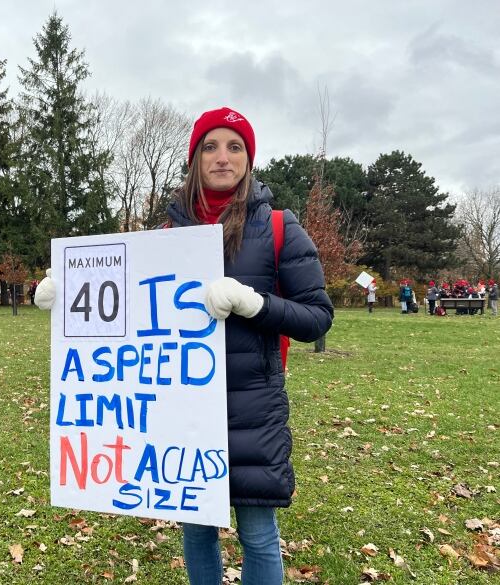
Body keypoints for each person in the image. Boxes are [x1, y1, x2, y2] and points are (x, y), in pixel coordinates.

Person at [35, 107, 334, 585]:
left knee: (258, 533)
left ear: (248, 160)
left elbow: (317, 318)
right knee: (197, 532)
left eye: (234, 147)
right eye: (210, 147)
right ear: (195, 160)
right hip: (181, 410)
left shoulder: (280, 226)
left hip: (252, 408)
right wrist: (67, 295)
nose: (222, 157)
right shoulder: (164, 238)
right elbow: (123, 310)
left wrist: (251, 303)